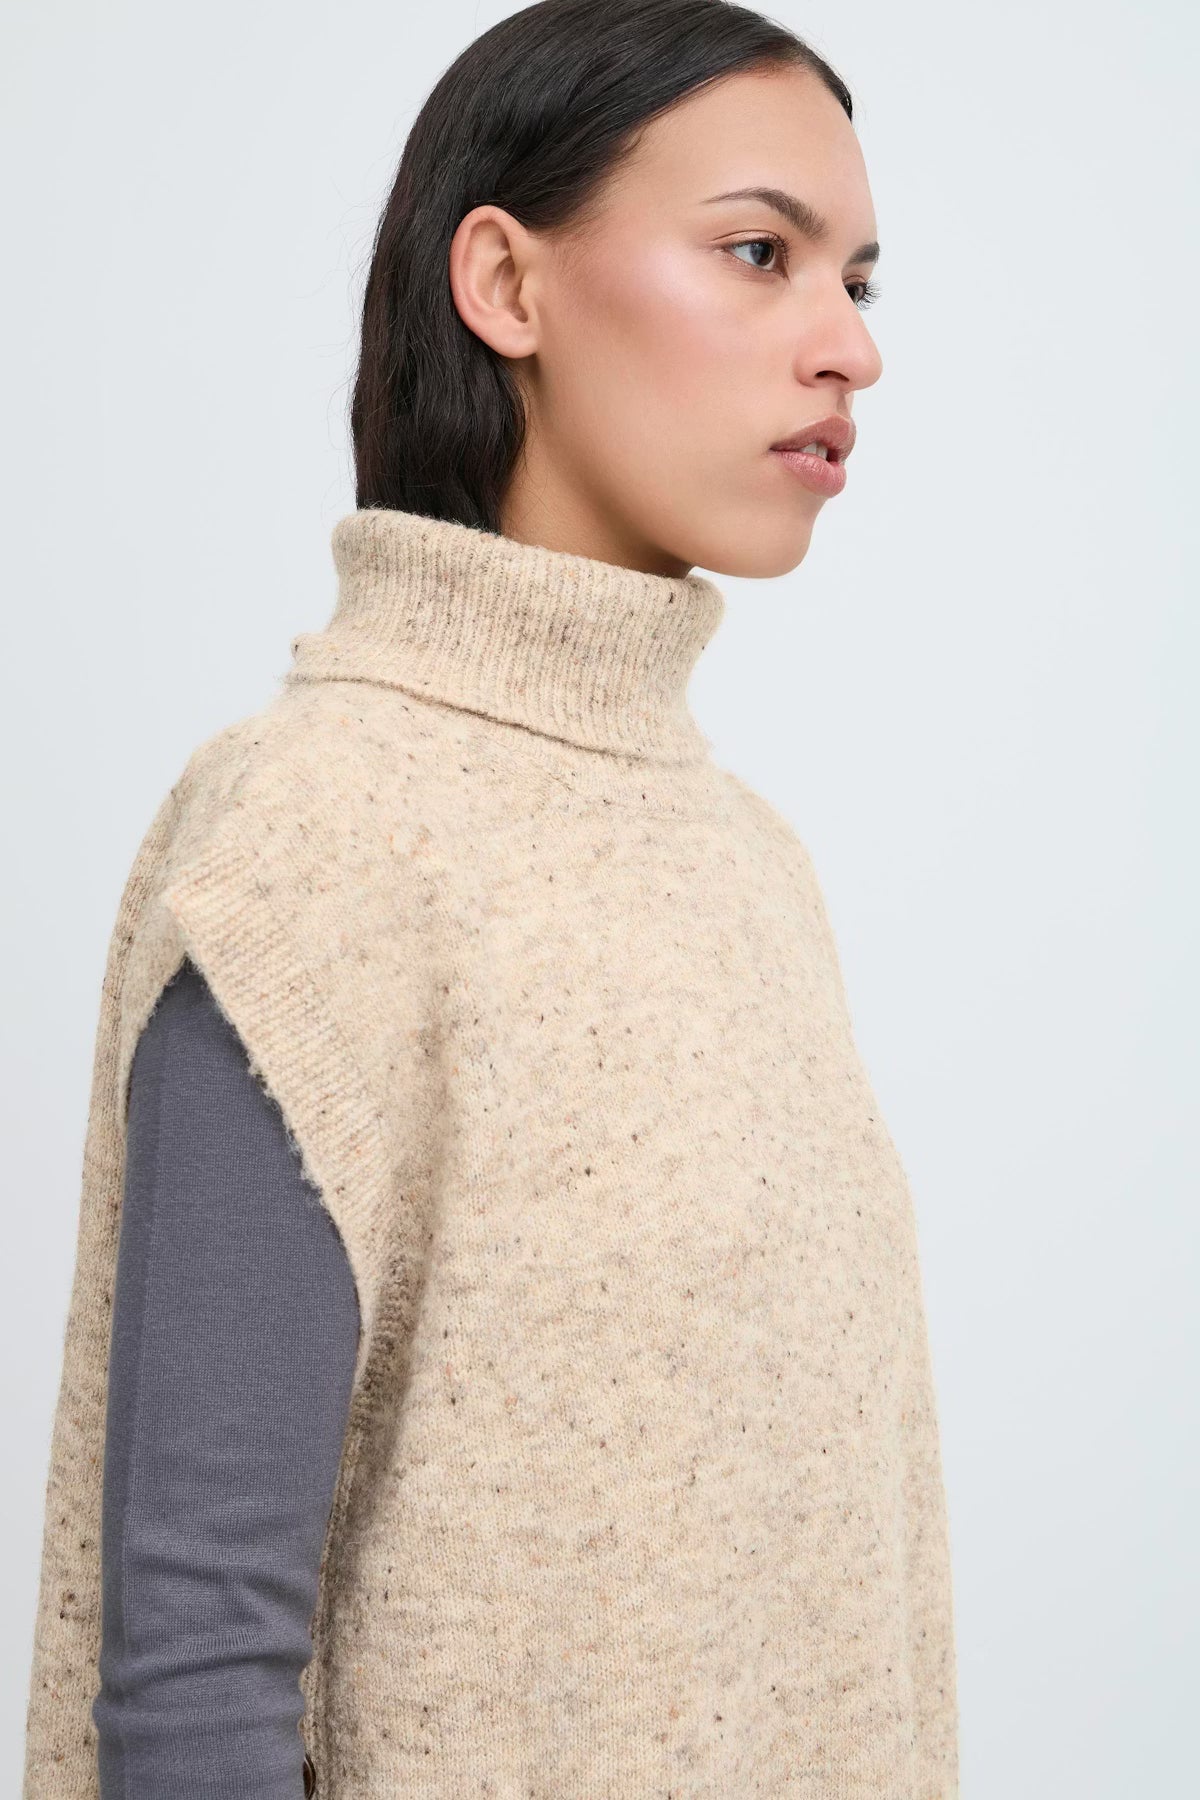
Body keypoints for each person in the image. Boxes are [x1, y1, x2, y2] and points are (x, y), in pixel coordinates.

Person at [23, 2, 960, 1796]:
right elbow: (198, 1672)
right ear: (506, 285)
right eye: (759, 253)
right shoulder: (316, 836)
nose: (849, 344)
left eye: (858, 280)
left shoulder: (749, 859)